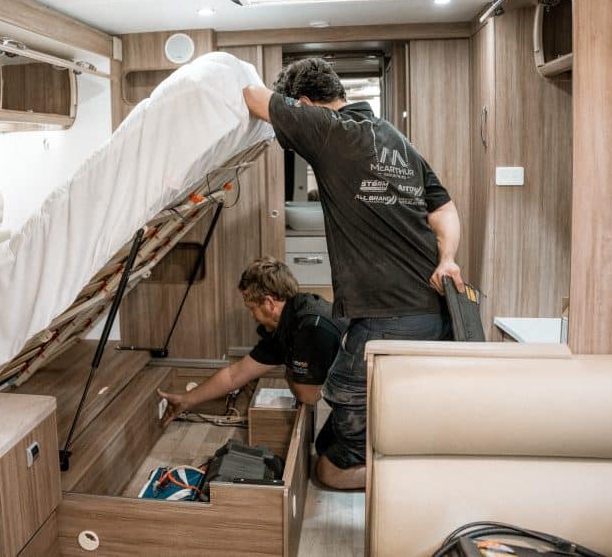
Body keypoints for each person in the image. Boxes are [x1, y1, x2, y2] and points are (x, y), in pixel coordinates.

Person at [242, 58, 464, 490]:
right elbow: (444, 209)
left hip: (392, 313)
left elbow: (252, 97)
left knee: (332, 452)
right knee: (343, 431)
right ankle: (398, 453)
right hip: (431, 307)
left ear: (304, 103)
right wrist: (448, 257)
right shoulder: (395, 140)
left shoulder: (328, 131)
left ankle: (416, 477)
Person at [158, 256, 345, 426]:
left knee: (327, 464)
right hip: (349, 398)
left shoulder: (309, 328)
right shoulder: (289, 320)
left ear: (270, 303)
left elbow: (308, 396)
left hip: (362, 397)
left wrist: (289, 370)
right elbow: (234, 375)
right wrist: (186, 400)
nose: (251, 314)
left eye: (252, 307)